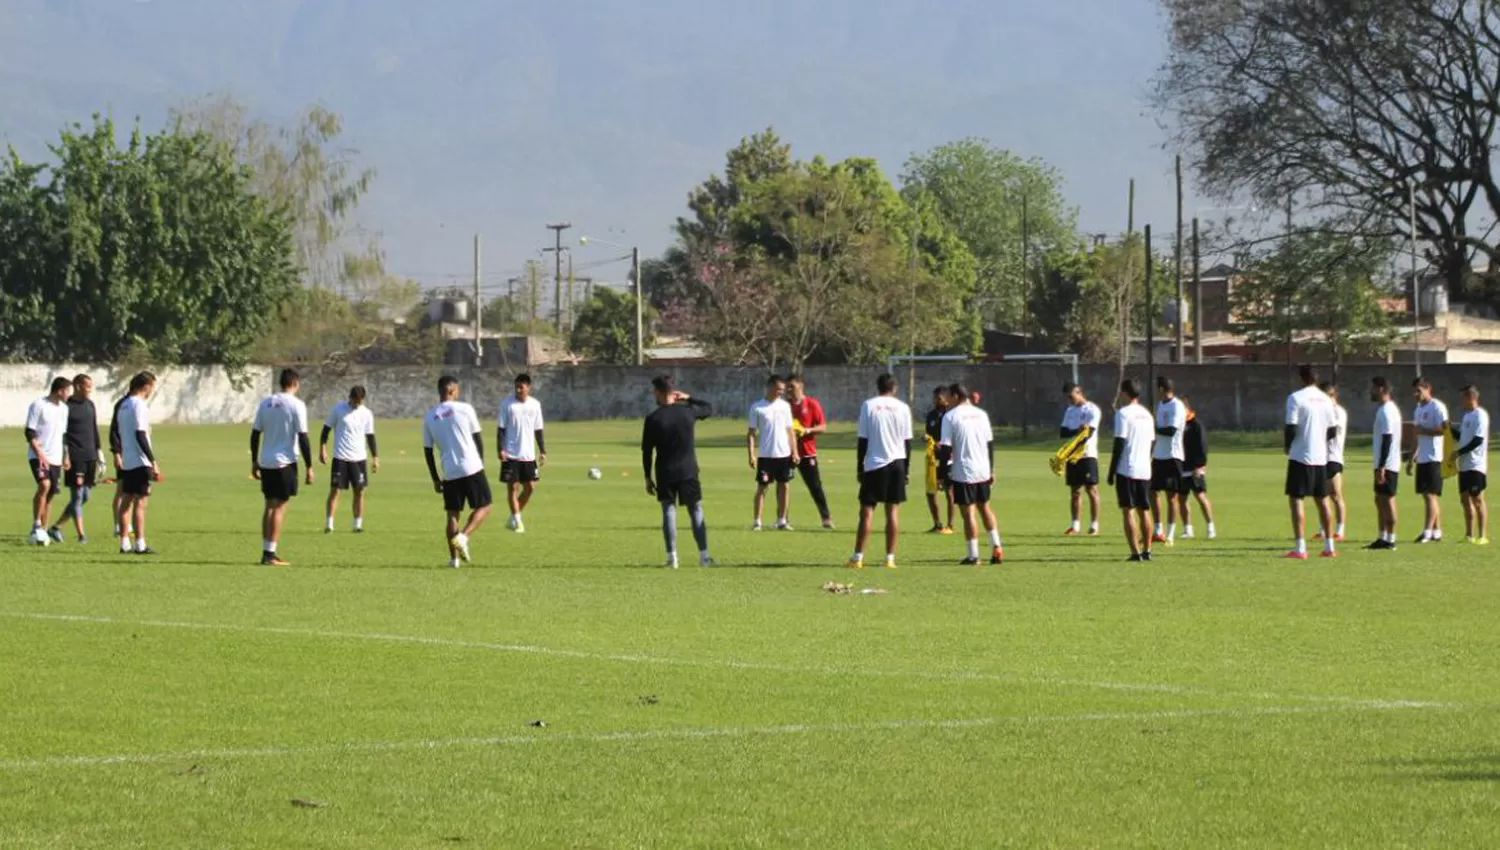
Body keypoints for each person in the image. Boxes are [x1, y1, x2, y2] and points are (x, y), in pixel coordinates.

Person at [642, 375, 715, 568]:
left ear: (658, 392)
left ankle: (672, 557)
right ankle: (704, 556)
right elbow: (709, 408)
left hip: (665, 471)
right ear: (673, 392)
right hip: (688, 469)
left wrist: (647, 477)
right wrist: (689, 398)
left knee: (668, 511)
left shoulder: (653, 418)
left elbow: (647, 451)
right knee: (696, 510)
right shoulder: (688, 412)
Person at [422, 375, 491, 568]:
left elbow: (428, 451)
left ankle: (454, 560)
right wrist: (481, 463)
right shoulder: (465, 409)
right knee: (485, 506)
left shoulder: (429, 417)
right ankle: (463, 536)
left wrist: (435, 478)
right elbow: (477, 438)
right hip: (471, 466)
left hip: (449, 470)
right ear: (452, 391)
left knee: (452, 514)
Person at [847, 373, 913, 569]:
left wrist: (860, 466)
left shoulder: (869, 405)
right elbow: (907, 441)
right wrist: (906, 469)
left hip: (875, 463)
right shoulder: (903, 408)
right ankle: (890, 558)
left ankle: (858, 557)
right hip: (897, 463)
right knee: (892, 512)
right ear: (894, 388)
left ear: (878, 387)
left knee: (866, 512)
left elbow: (863, 439)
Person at [251, 368, 313, 566]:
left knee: (269, 505)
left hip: (266, 461)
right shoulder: (296, 405)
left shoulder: (266, 402)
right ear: (295, 383)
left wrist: (254, 460)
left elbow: (255, 433)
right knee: (280, 507)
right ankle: (271, 554)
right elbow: (303, 436)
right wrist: (309, 465)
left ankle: (266, 550)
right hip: (284, 462)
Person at [938, 383, 1003, 565]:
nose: (946, 400)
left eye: (948, 396)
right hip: (983, 469)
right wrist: (991, 469)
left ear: (956, 396)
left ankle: (973, 555)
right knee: (985, 507)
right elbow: (990, 444)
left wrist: (943, 473)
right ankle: (996, 546)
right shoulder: (981, 414)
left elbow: (946, 448)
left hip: (963, 470)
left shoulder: (950, 416)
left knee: (968, 513)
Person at [1284, 364, 1338, 559]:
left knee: (1296, 499)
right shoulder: (1326, 399)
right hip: (1320, 457)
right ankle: (1329, 546)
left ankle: (1300, 548)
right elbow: (1333, 429)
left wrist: (1287, 446)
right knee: (1323, 500)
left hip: (1300, 455)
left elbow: (1290, 426)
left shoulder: (1295, 398)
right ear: (1316, 378)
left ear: (1301, 378)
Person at [51, 373, 102, 544]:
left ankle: (56, 527)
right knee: (77, 496)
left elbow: (94, 429)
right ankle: (82, 535)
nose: (90, 390)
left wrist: (99, 451)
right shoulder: (66, 407)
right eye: (88, 386)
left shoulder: (90, 405)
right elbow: (62, 433)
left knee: (85, 496)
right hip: (75, 456)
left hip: (90, 456)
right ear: (78, 386)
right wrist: (65, 454)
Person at [1107, 379, 1155, 562]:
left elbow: (1119, 442)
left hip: (1127, 468)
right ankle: (1148, 550)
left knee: (1128, 510)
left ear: (1124, 393)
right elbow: (1152, 442)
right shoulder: (1147, 414)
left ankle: (1135, 552)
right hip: (1145, 469)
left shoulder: (1123, 413)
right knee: (1145, 509)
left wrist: (1111, 471)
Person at [320, 385, 378, 534]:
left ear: (362, 400)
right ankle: (329, 524)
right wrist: (323, 448)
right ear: (349, 397)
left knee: (359, 491)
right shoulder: (338, 409)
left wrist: (375, 457)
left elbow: (370, 437)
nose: (355, 403)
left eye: (358, 401)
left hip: (359, 458)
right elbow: (326, 429)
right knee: (335, 490)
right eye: (353, 400)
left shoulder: (367, 414)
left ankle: (357, 524)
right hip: (340, 457)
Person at [114, 371, 160, 556]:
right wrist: (152, 460)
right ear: (146, 386)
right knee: (141, 502)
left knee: (126, 500)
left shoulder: (123, 405)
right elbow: (140, 434)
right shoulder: (139, 405)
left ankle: (124, 542)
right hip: (140, 460)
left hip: (128, 460)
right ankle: (140, 543)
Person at [746, 374, 799, 530]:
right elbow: (751, 433)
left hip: (783, 454)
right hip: (766, 455)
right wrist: (751, 454)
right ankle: (757, 521)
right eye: (778, 389)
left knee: (784, 486)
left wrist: (794, 452)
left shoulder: (785, 407)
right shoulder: (757, 407)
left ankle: (782, 520)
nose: (780, 392)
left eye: (782, 390)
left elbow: (790, 431)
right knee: (762, 488)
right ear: (769, 387)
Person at [24, 377, 72, 545]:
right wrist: (40, 454)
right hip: (38, 455)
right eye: (67, 391)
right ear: (59, 390)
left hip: (56, 457)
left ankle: (42, 530)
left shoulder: (65, 409)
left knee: (51, 494)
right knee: (44, 485)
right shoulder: (38, 405)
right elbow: (29, 432)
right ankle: (36, 524)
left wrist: (66, 455)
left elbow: (64, 435)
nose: (69, 394)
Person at [497, 373, 546, 533]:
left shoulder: (535, 405)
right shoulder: (507, 404)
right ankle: (518, 521)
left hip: (528, 454)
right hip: (511, 453)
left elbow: (538, 429)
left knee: (531, 487)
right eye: (516, 387)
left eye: (521, 387)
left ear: (528, 388)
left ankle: (513, 517)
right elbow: (501, 428)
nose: (518, 390)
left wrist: (542, 450)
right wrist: (500, 449)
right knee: (513, 488)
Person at [786, 375, 834, 529]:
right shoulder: (784, 406)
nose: (789, 390)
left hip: (807, 452)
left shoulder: (812, 404)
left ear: (801, 386)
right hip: (786, 452)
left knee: (815, 486)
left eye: (792, 386)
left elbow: (823, 426)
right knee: (783, 485)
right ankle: (782, 519)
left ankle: (826, 518)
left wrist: (806, 430)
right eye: (788, 387)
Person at [1059, 382, 1102, 536]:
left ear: (1079, 392)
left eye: (1071, 396)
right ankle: (1075, 525)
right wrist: (1076, 430)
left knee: (1092, 489)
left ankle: (1094, 525)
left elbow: (1089, 432)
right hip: (1072, 455)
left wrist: (1079, 432)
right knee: (1075, 491)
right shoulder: (1069, 411)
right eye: (1067, 398)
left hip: (1087, 454)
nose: (1069, 400)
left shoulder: (1092, 410)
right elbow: (1063, 432)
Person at [1410, 378, 1449, 543]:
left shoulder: (1437, 406)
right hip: (1423, 458)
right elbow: (1417, 435)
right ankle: (1436, 531)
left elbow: (1444, 429)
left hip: (1434, 457)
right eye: (1414, 391)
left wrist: (1424, 431)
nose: (1415, 394)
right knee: (1427, 496)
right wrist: (1412, 456)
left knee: (1431, 495)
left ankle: (1426, 532)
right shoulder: (1418, 409)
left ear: (1428, 389)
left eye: (1418, 390)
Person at [1366, 376, 1402, 550]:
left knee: (1388, 500)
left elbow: (1388, 438)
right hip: (1382, 464)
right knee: (1379, 499)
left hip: (1388, 464)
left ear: (1381, 389)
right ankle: (1382, 537)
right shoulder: (1385, 409)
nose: (1370, 391)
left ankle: (1391, 538)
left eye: (1373, 388)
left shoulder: (1387, 410)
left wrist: (1382, 466)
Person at [1150, 377, 1188, 544]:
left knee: (1171, 496)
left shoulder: (1177, 405)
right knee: (1152, 491)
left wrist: (1153, 428)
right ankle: (1158, 530)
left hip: (1173, 455)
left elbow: (1171, 430)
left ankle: (1171, 533)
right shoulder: (1160, 405)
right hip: (1158, 455)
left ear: (1161, 389)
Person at [1452, 385, 1489, 545]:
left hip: (1476, 464)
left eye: (1462, 397)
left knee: (1477, 499)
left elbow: (1478, 440)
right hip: (1464, 466)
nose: (1460, 401)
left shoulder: (1480, 415)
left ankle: (1482, 536)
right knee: (1465, 500)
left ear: (1471, 397)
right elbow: (1463, 437)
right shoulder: (1467, 416)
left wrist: (1459, 453)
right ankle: (1469, 535)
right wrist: (1450, 429)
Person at [1178, 398, 1217, 540]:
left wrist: (1200, 465)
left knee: (1200, 496)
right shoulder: (1178, 424)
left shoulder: (1196, 425)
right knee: (1181, 499)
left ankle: (1210, 527)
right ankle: (1187, 529)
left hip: (1195, 467)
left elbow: (1203, 446)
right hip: (1181, 466)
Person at [1317, 382, 1349, 542]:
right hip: (1321, 457)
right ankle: (1323, 529)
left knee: (1336, 494)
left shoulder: (1338, 412)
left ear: (1333, 396)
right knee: (1322, 494)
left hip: (1334, 457)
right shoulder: (1324, 411)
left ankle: (1340, 529)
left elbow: (1332, 431)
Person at [924, 386, 955, 534]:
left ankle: (950, 525)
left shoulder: (952, 415)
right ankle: (937, 523)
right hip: (933, 458)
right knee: (931, 491)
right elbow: (929, 434)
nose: (935, 400)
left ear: (945, 398)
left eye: (938, 398)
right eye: (934, 398)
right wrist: (928, 439)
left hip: (948, 458)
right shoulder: (930, 415)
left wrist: (942, 444)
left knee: (949, 491)